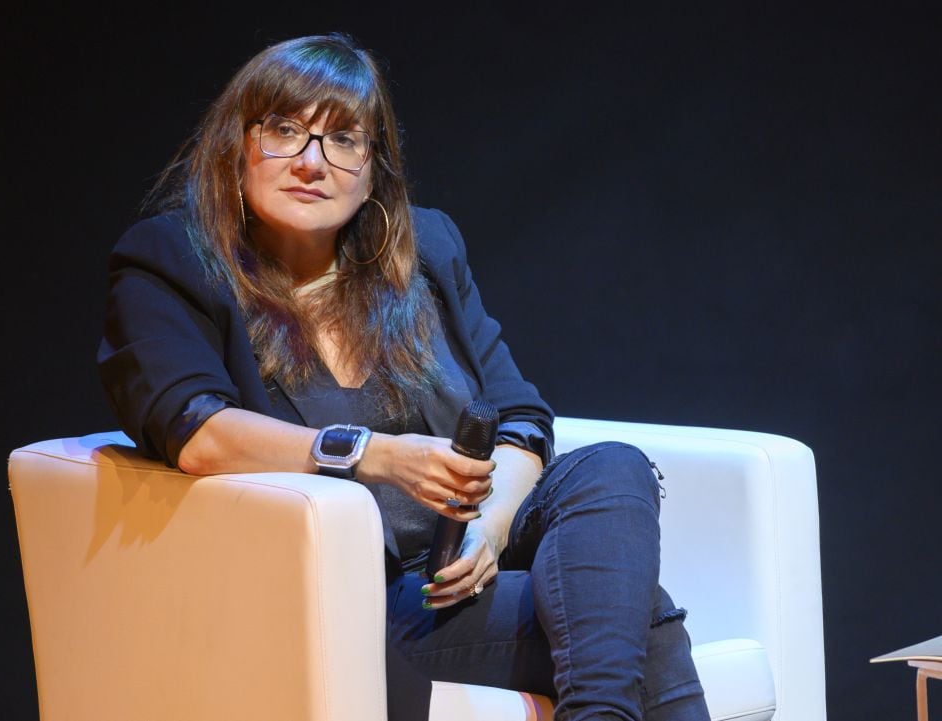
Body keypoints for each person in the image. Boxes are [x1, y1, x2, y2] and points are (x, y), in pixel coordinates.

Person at [98, 32, 708, 721]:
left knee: (612, 469)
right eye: (286, 131)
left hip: (462, 571)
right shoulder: (172, 260)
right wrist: (375, 456)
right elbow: (197, 431)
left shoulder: (424, 251)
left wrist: (493, 527)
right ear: (238, 146)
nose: (311, 161)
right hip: (352, 600)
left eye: (343, 139)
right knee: (640, 616)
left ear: (372, 169)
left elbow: (520, 416)